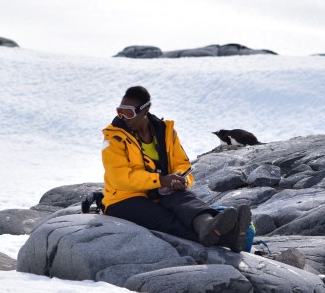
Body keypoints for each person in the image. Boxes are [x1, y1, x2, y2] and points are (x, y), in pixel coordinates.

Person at [101, 85, 251, 252]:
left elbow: (182, 164)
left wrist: (180, 179)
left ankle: (208, 224)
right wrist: (161, 180)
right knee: (164, 219)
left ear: (145, 110)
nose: (123, 117)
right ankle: (228, 238)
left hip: (159, 192)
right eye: (119, 111)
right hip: (124, 199)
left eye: (128, 112)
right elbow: (119, 177)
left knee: (185, 200)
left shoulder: (165, 131)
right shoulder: (114, 137)